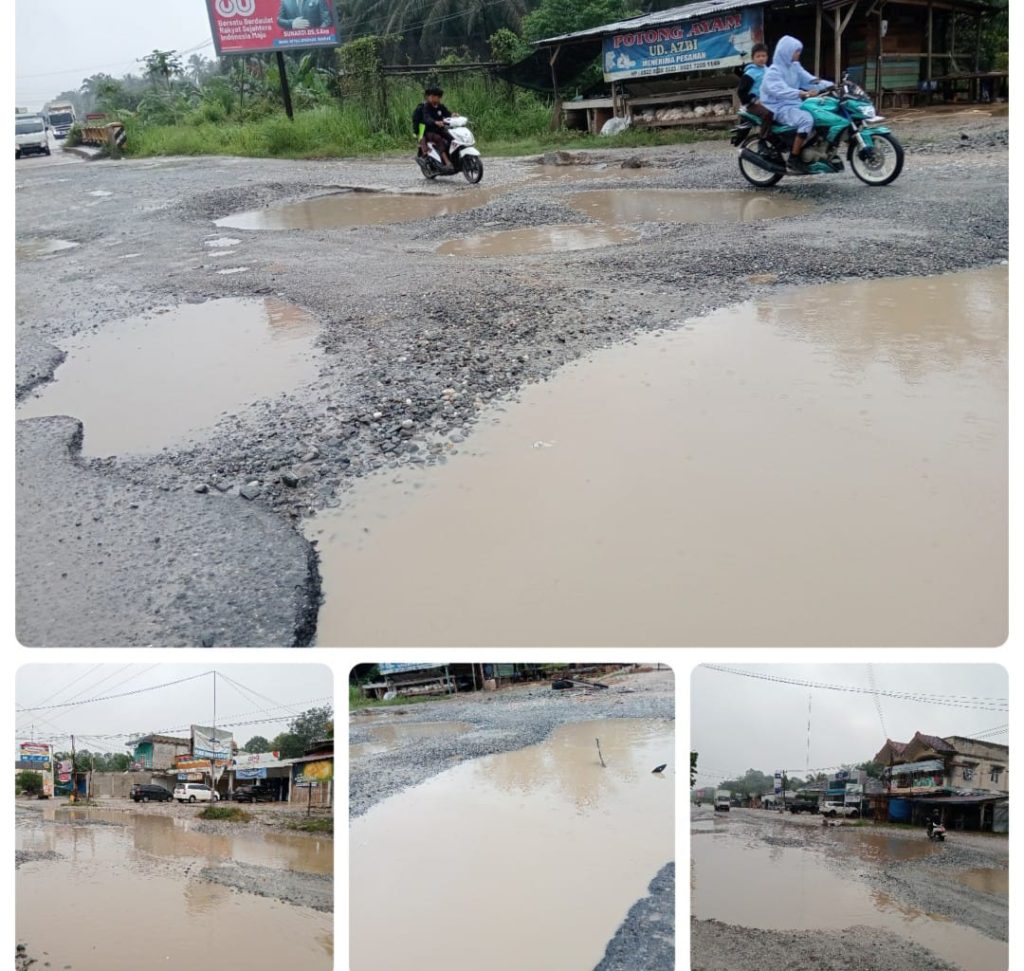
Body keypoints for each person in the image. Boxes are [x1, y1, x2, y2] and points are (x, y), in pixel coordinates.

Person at [759, 35, 832, 174]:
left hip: (795, 103)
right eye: (796, 51)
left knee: (820, 114)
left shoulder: (795, 66)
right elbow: (781, 91)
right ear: (786, 51)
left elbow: (810, 81)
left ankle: (816, 149)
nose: (798, 53)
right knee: (806, 119)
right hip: (779, 107)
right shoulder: (773, 71)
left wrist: (832, 85)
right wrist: (802, 93)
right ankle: (793, 159)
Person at [413, 86, 455, 172]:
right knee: (439, 139)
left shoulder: (440, 106)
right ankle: (447, 163)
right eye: (431, 96)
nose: (432, 97)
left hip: (439, 129)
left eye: (437, 96)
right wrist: (435, 122)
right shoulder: (426, 107)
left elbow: (447, 113)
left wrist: (453, 115)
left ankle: (454, 158)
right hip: (428, 130)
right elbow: (426, 118)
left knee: (452, 138)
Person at [737, 42, 773, 137]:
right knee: (769, 114)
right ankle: (763, 140)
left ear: (767, 57)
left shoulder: (768, 70)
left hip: (767, 101)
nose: (761, 58)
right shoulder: (750, 73)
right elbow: (741, 92)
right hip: (752, 104)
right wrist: (754, 100)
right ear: (753, 58)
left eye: (763, 55)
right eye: (758, 56)